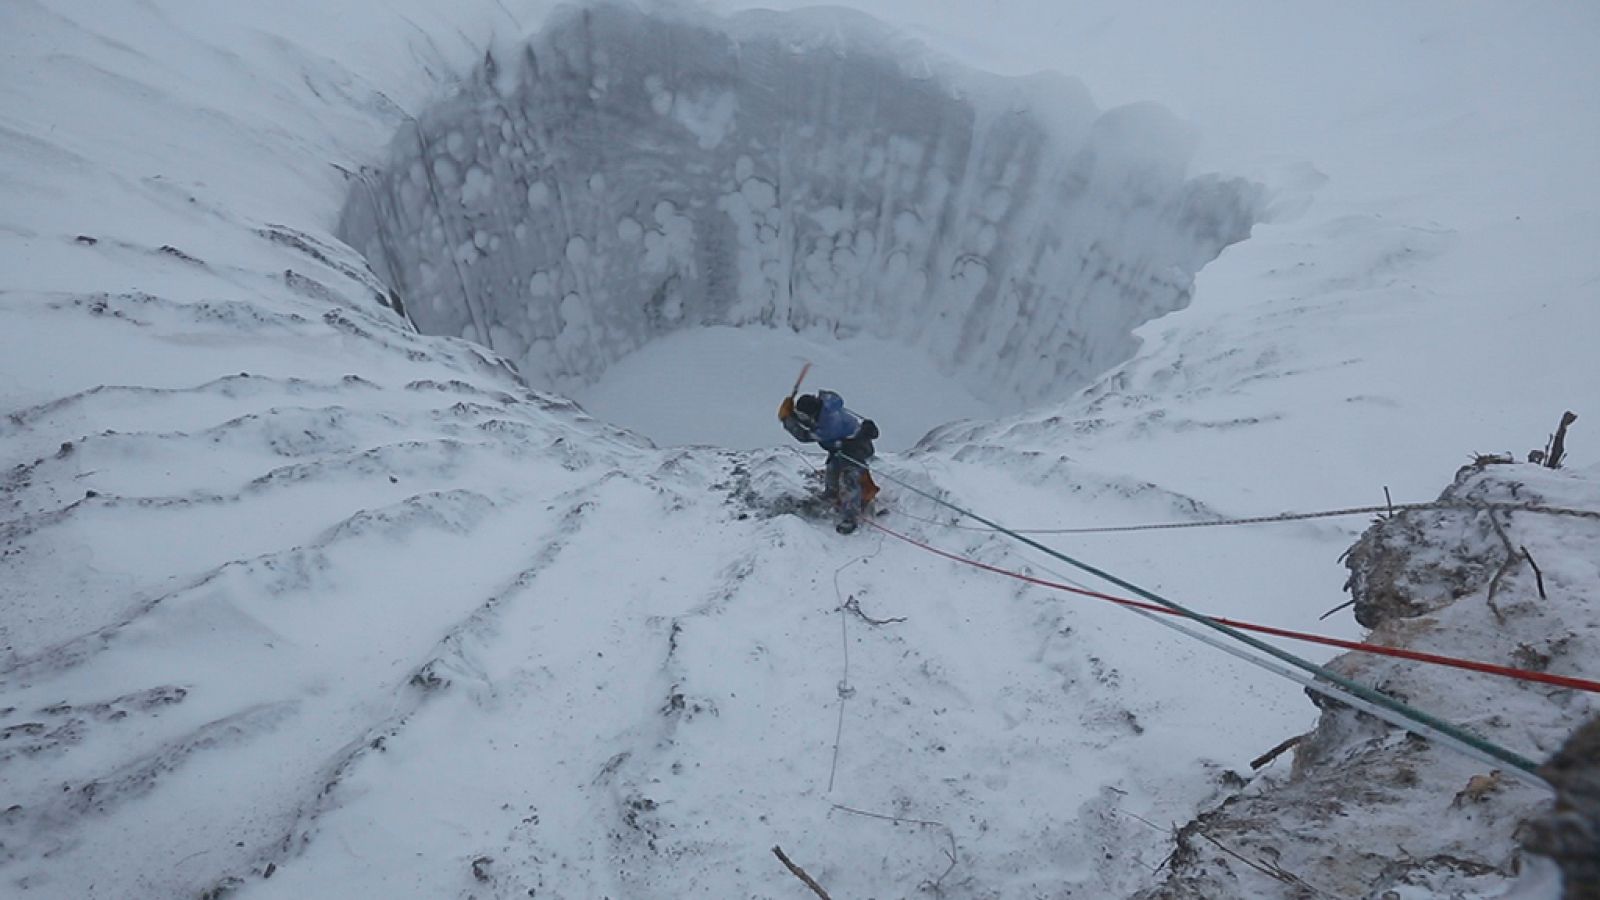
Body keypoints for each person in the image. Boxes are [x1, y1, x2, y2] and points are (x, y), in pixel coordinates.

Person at [779, 389, 880, 533]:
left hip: (856, 447)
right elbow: (811, 420)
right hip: (841, 446)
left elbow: (804, 435)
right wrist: (793, 413)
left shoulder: (828, 427)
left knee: (849, 478)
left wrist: (787, 419)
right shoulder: (827, 403)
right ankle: (831, 495)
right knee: (832, 469)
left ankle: (851, 517)